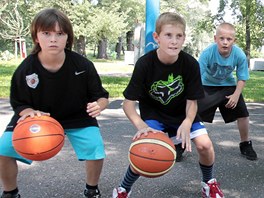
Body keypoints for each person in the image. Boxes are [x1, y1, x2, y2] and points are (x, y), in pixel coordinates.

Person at [112, 12, 224, 198]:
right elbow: (128, 104)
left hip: (183, 113)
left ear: (184, 38)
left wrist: (188, 121)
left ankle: (208, 182)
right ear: (157, 37)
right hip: (155, 115)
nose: (174, 41)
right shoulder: (145, 64)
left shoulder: (189, 64)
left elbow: (192, 101)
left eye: (178, 36)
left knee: (205, 145)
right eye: (168, 35)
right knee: (146, 150)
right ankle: (123, 189)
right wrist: (141, 126)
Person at [0, 8, 109, 198]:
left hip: (77, 115)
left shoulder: (83, 65)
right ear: (36, 37)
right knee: (4, 149)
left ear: (68, 37)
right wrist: (28, 111)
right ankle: (10, 192)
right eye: (46, 33)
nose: (53, 39)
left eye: (60, 34)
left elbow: (101, 96)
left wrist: (99, 105)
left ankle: (92, 189)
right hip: (37, 117)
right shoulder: (26, 69)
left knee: (95, 147)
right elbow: (19, 102)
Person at [197, 22, 257, 161]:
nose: (225, 42)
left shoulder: (239, 54)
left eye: (229, 39)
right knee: (192, 112)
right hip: (207, 85)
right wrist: (196, 96)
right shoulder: (207, 53)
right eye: (221, 38)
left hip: (228, 86)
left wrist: (236, 95)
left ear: (234, 41)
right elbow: (197, 76)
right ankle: (182, 143)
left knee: (243, 113)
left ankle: (245, 144)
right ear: (215, 38)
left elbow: (242, 78)